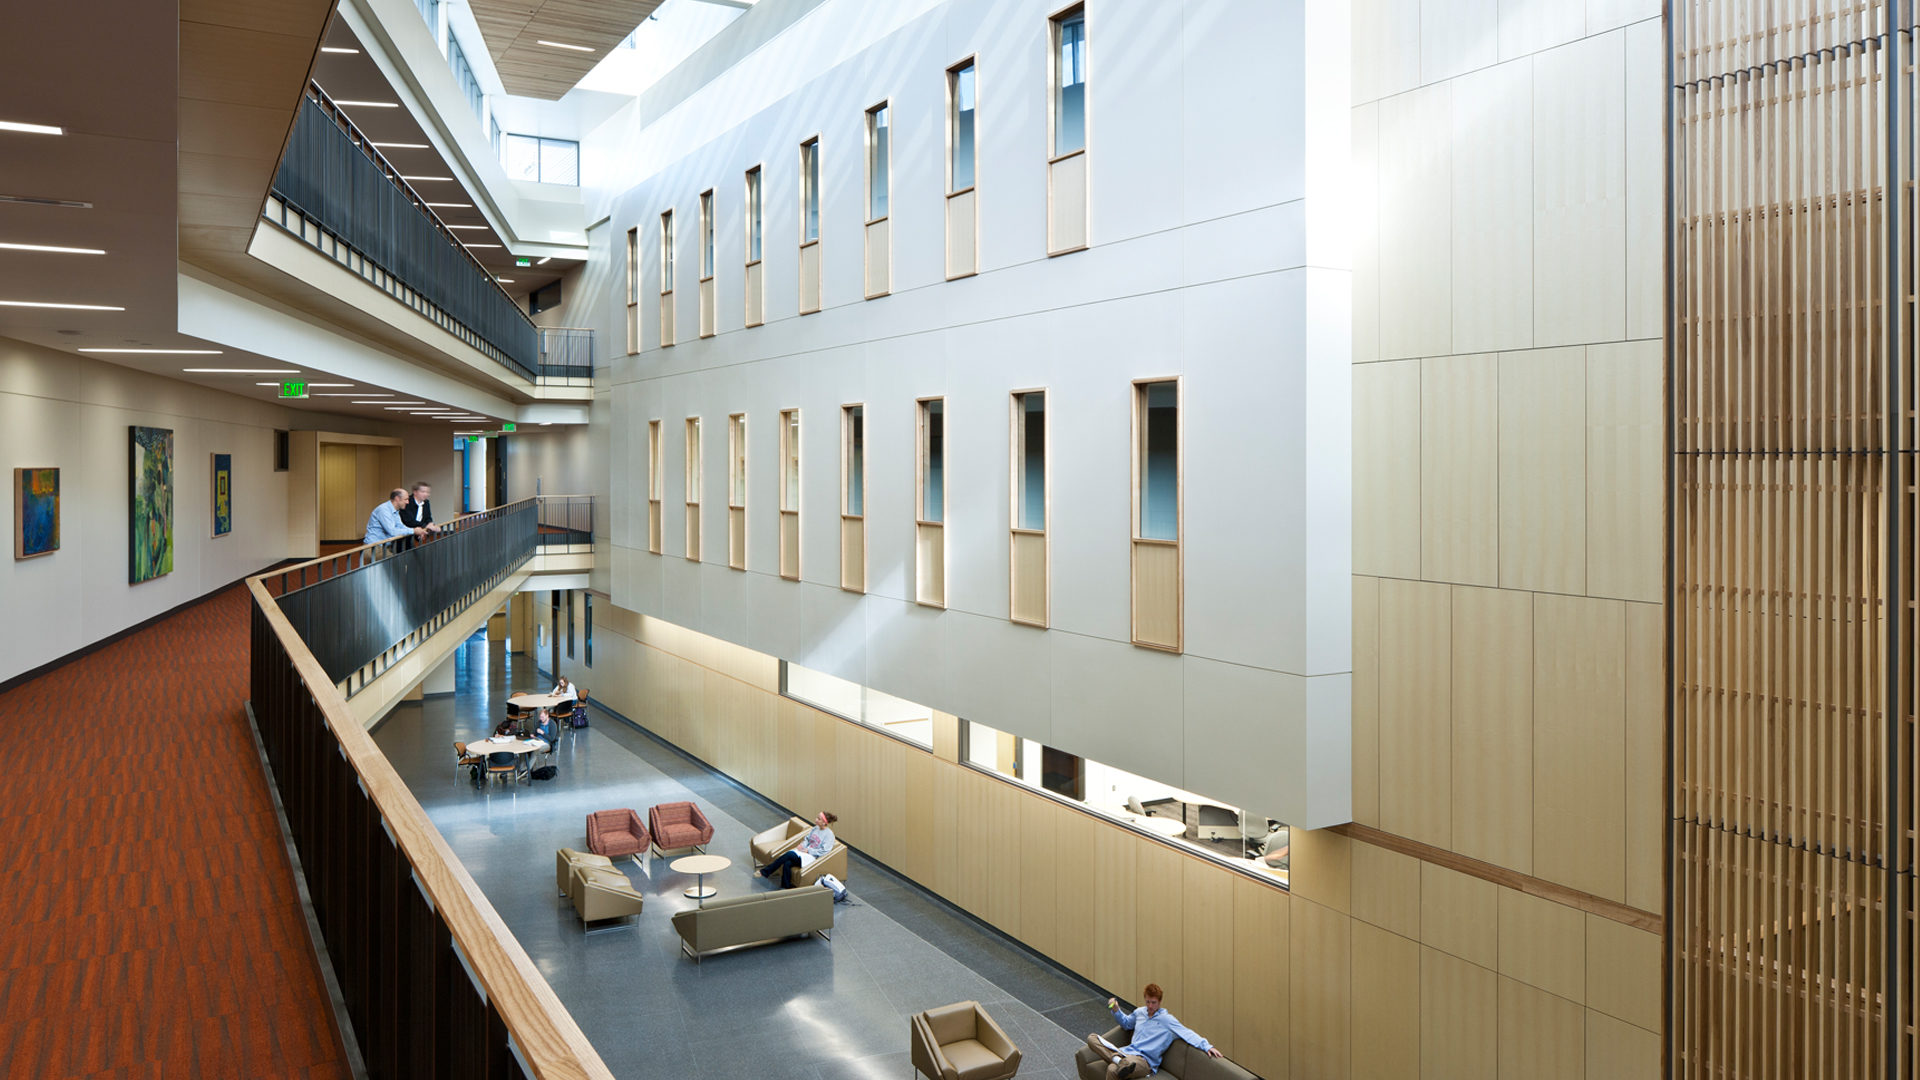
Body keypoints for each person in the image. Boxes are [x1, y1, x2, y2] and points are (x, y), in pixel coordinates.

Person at [1086, 983, 1222, 1079]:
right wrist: (1116, 1010)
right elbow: (1127, 1024)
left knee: (1112, 1069)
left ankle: (1119, 1062)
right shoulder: (1139, 1012)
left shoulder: (1167, 1020)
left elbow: (1187, 1033)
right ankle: (1118, 1060)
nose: (1150, 1006)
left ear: (1160, 1002)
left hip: (1144, 1062)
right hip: (1126, 1053)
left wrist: (1207, 1046)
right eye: (1148, 1002)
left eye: (1154, 1003)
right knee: (1092, 1037)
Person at [757, 811, 837, 888]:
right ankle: (786, 885)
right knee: (787, 863)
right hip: (804, 852)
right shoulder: (815, 828)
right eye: (817, 817)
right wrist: (802, 845)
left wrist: (809, 851)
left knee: (789, 854)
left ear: (824, 823)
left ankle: (765, 871)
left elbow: (824, 851)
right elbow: (807, 839)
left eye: (819, 819)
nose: (816, 819)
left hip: (812, 858)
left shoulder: (829, 835)